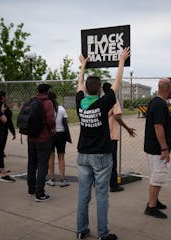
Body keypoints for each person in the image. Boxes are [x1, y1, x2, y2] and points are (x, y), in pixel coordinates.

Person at [75, 47, 130, 240]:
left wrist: (83, 65)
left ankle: (81, 230)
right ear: (99, 89)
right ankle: (103, 233)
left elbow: (79, 83)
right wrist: (121, 60)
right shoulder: (104, 102)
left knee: (83, 195)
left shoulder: (80, 102)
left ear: (85, 90)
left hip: (83, 155)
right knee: (101, 196)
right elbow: (117, 83)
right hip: (101, 155)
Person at [144, 77, 171, 219]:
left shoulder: (155, 102)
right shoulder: (160, 104)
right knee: (157, 177)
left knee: (156, 177)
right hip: (157, 150)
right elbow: (158, 126)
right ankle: (151, 207)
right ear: (167, 88)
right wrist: (164, 148)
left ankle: (154, 200)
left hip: (153, 147)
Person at [102, 82, 136, 193]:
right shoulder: (113, 100)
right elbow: (117, 116)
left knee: (102, 160)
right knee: (112, 161)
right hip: (111, 135)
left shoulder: (101, 100)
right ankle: (113, 185)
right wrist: (127, 128)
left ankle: (98, 182)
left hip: (102, 135)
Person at [27, 84, 56, 201]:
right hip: (44, 138)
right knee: (42, 165)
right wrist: (53, 128)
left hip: (31, 138)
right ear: (47, 91)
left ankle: (31, 189)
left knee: (32, 164)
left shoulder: (32, 101)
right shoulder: (48, 103)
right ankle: (40, 193)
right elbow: (50, 119)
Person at [46, 91, 72, 187]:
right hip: (61, 135)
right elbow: (66, 121)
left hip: (51, 135)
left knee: (51, 157)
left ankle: (52, 179)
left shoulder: (47, 108)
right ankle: (62, 179)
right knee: (61, 157)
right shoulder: (61, 108)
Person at [0, 91, 16, 157]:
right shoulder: (4, 106)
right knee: (2, 142)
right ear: (3, 97)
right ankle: (0, 154)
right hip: (3, 128)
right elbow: (9, 121)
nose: (6, 97)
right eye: (5, 96)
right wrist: (13, 132)